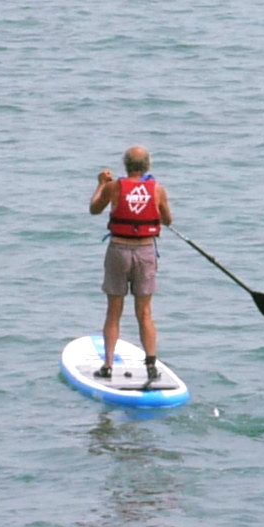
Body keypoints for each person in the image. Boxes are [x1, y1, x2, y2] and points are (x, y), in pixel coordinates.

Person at [88, 145, 173, 381]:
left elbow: (94, 209)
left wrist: (101, 184)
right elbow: (166, 220)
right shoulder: (157, 190)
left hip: (118, 250)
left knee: (114, 310)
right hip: (145, 251)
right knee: (144, 312)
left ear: (125, 165)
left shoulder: (114, 188)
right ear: (147, 166)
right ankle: (151, 366)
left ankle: (107, 365)